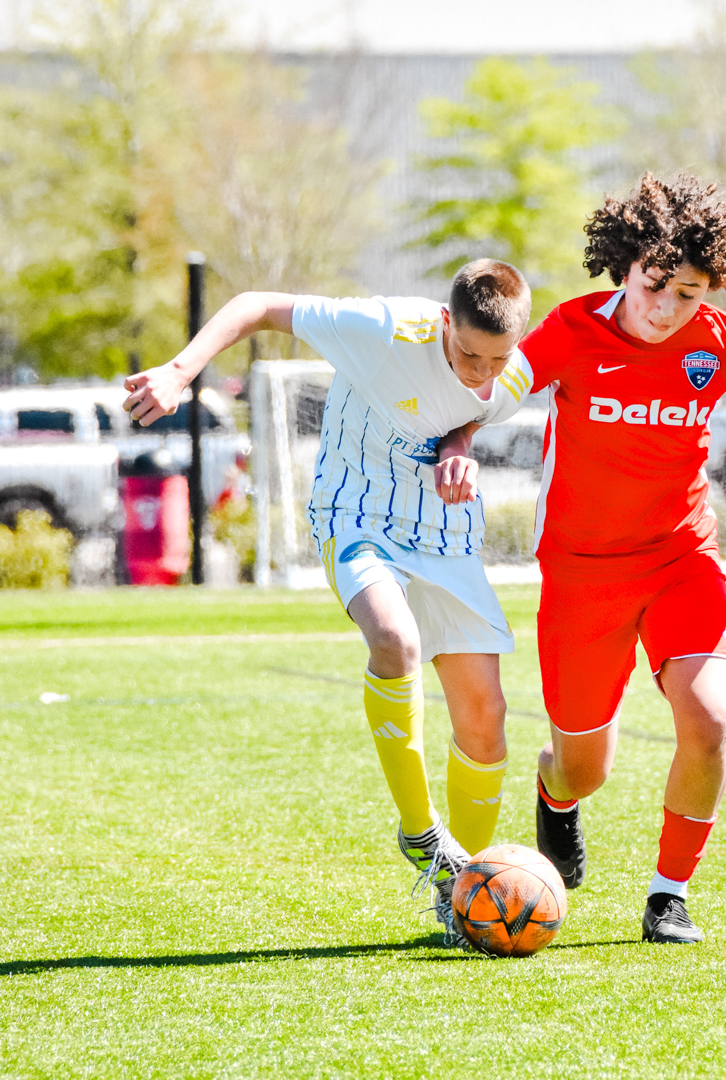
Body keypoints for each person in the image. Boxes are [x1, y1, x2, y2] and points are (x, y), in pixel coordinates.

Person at [459, 174, 726, 943]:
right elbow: (489, 394)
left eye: (689, 293)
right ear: (627, 266)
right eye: (654, 284)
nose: (665, 308)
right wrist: (459, 444)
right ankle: (556, 793)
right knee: (586, 767)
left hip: (681, 560)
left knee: (708, 720)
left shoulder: (722, 343)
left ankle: (668, 895)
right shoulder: (571, 329)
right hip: (581, 573)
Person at [123, 259, 533, 943]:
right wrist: (179, 370)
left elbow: (473, 414)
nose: (480, 371)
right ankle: (421, 833)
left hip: (446, 529)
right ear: (442, 323)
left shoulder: (508, 374)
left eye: (496, 358)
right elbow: (255, 301)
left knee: (486, 716)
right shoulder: (382, 327)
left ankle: (462, 893)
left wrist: (462, 445)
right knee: (394, 641)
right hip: (358, 514)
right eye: (467, 354)